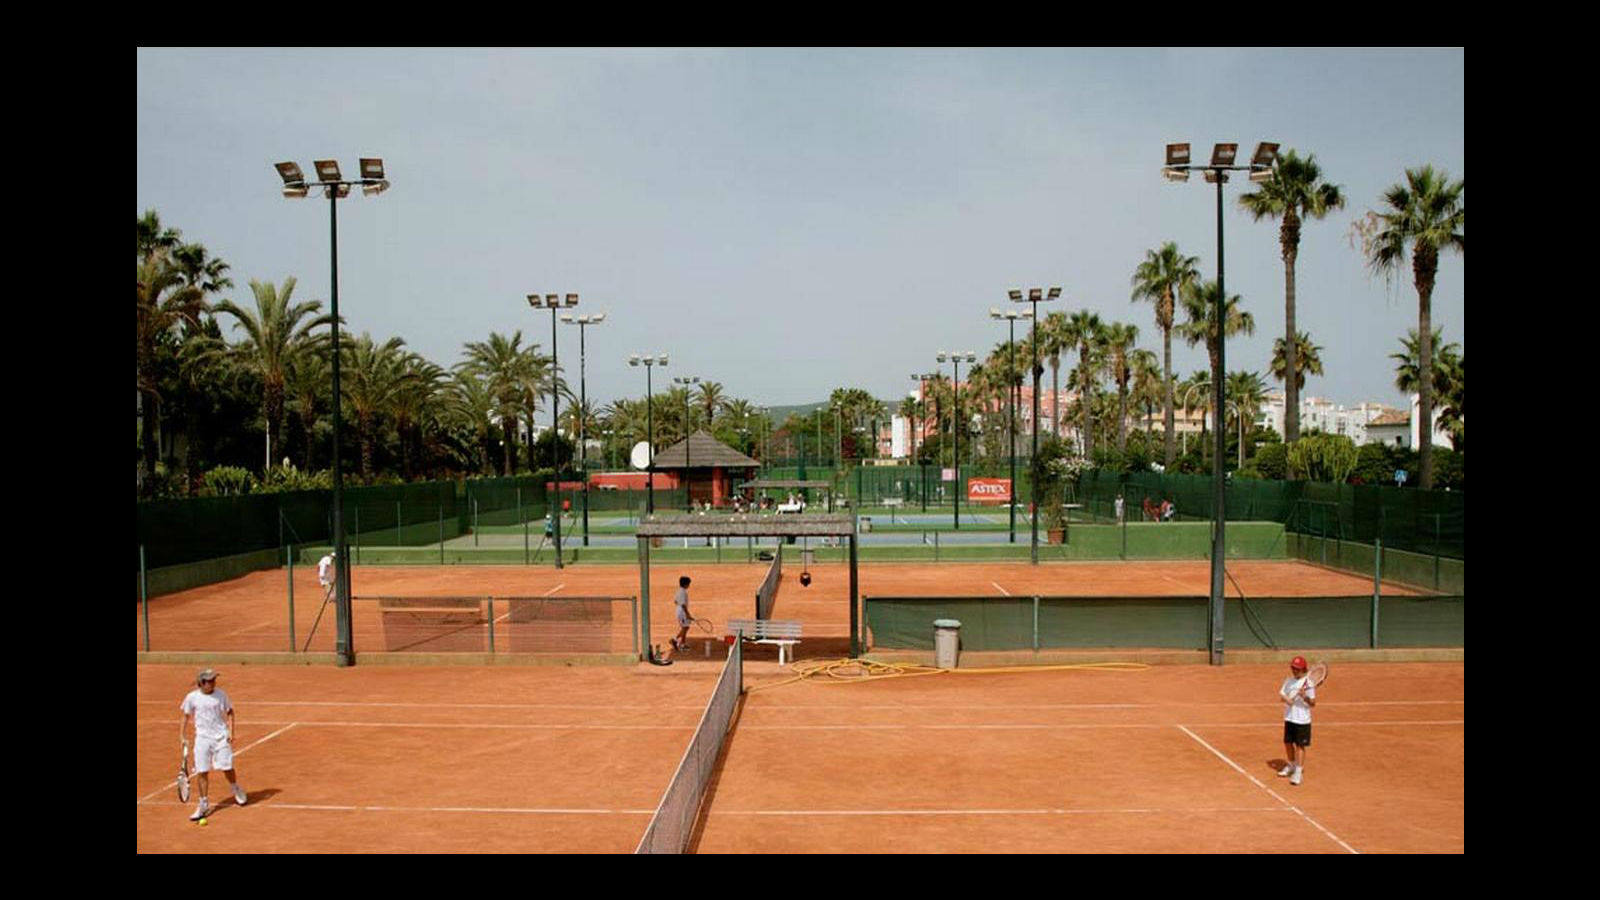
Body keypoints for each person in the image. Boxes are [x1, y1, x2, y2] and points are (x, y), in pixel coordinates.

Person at [180, 668, 247, 820]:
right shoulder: (192, 698)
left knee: (227, 767)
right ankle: (203, 804)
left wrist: (231, 731)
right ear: (202, 683)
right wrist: (182, 736)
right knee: (202, 771)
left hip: (220, 737)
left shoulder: (221, 695)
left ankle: (235, 788)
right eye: (210, 680)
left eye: (214, 679)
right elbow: (185, 716)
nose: (213, 682)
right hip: (202, 739)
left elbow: (230, 712)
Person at [1277, 656, 1317, 785]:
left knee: (1300, 746)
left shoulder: (1309, 684)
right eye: (1293, 668)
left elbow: (1312, 703)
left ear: (1303, 669)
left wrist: (1304, 696)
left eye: (1297, 669)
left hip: (1302, 720)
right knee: (1288, 743)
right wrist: (1287, 699)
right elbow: (1282, 695)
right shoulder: (1288, 681)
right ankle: (1291, 765)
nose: (1294, 670)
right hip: (1289, 717)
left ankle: (1298, 772)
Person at [660, 575, 694, 663]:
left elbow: (675, 601)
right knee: (685, 628)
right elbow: (683, 604)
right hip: (682, 611)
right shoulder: (683, 592)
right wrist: (688, 614)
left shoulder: (679, 591)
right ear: (686, 584)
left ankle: (682, 644)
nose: (689, 585)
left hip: (679, 610)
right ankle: (675, 640)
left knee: (686, 627)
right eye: (689, 584)